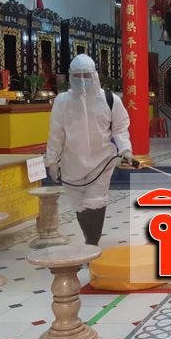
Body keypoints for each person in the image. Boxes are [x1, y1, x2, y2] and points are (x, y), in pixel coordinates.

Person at [45, 54, 133, 246]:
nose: (82, 80)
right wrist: (51, 161)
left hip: (101, 162)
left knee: (96, 201)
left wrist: (125, 150)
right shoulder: (62, 101)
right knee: (79, 205)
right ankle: (89, 239)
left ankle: (92, 243)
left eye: (86, 75)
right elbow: (56, 133)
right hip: (71, 163)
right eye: (77, 76)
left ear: (94, 75)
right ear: (70, 76)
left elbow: (120, 128)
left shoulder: (110, 100)